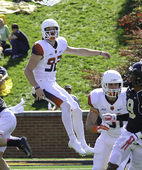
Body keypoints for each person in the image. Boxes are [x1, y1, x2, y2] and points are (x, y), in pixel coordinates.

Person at [24, 18, 111, 156]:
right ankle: (72, 139)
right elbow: (27, 70)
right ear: (43, 31)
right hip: (42, 83)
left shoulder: (61, 43)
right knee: (65, 105)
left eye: (54, 29)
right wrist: (36, 87)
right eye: (48, 30)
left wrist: (99, 52)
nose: (51, 32)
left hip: (52, 82)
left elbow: (80, 51)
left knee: (76, 109)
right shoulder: (39, 46)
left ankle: (82, 143)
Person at [85, 70, 130, 170]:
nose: (114, 88)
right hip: (105, 137)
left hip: (122, 137)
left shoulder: (128, 95)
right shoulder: (96, 97)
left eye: (116, 85)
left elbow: (136, 116)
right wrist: (96, 128)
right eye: (110, 85)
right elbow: (89, 124)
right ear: (104, 85)